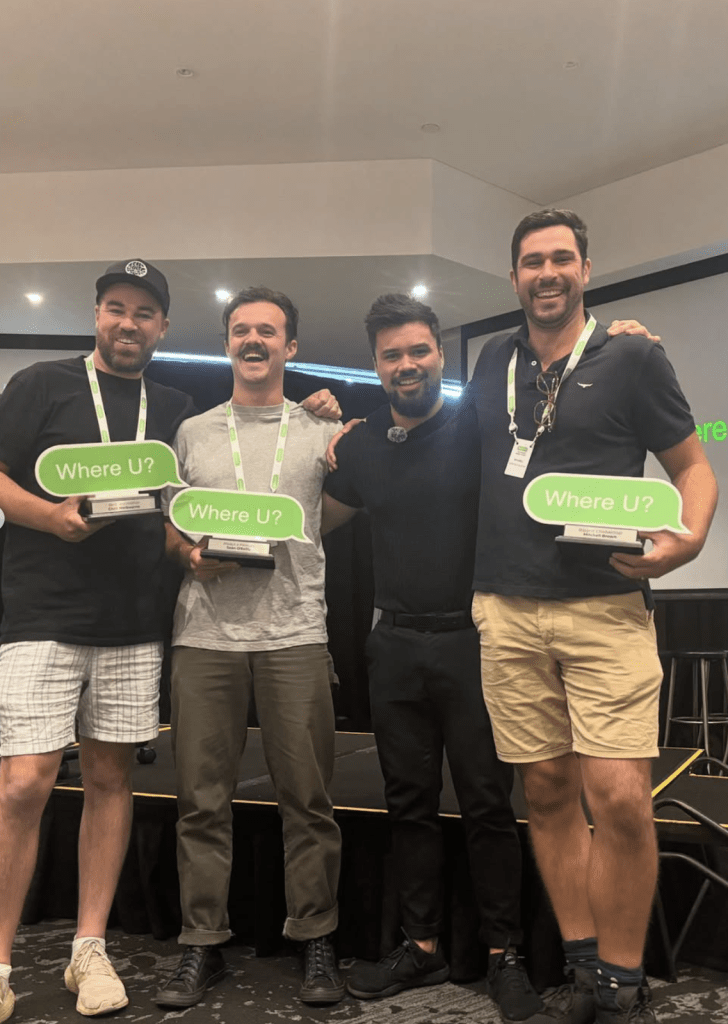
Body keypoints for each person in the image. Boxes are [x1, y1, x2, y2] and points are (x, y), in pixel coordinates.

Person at [469, 209, 718, 1024]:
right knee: (545, 791)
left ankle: (624, 981)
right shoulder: (493, 360)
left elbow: (693, 468)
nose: (546, 273)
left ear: (585, 270)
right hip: (507, 607)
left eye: (561, 258)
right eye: (532, 261)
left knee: (619, 799)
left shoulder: (634, 355)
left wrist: (688, 541)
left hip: (606, 608)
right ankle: (586, 970)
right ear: (513, 276)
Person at [321, 293, 553, 1024]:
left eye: (419, 350)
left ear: (440, 356)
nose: (407, 364)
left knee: (487, 804)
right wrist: (313, 424)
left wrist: (624, 338)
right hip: (392, 647)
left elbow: (553, 386)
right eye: (392, 354)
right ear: (376, 365)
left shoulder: (480, 425)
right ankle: (421, 946)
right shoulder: (361, 446)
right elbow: (309, 519)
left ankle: (504, 953)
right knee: (409, 804)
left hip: (474, 641)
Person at [0, 260, 195, 1021]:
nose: (128, 323)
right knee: (24, 784)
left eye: (144, 312)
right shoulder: (40, 385)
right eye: (116, 307)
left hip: (133, 621)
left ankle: (89, 948)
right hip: (40, 613)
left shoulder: (173, 404)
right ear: (96, 315)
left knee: (111, 778)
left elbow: (179, 503)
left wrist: (198, 549)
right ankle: (1, 960)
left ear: (162, 327)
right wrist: (49, 517)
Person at [157, 286, 345, 1009]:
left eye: (268, 330)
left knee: (309, 801)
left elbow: (342, 510)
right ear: (227, 343)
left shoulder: (323, 429)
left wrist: (339, 418)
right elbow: (169, 525)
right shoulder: (193, 432)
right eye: (241, 330)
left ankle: (316, 937)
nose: (254, 340)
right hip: (204, 635)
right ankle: (202, 942)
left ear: (290, 347)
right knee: (200, 801)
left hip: (295, 631)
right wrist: (188, 554)